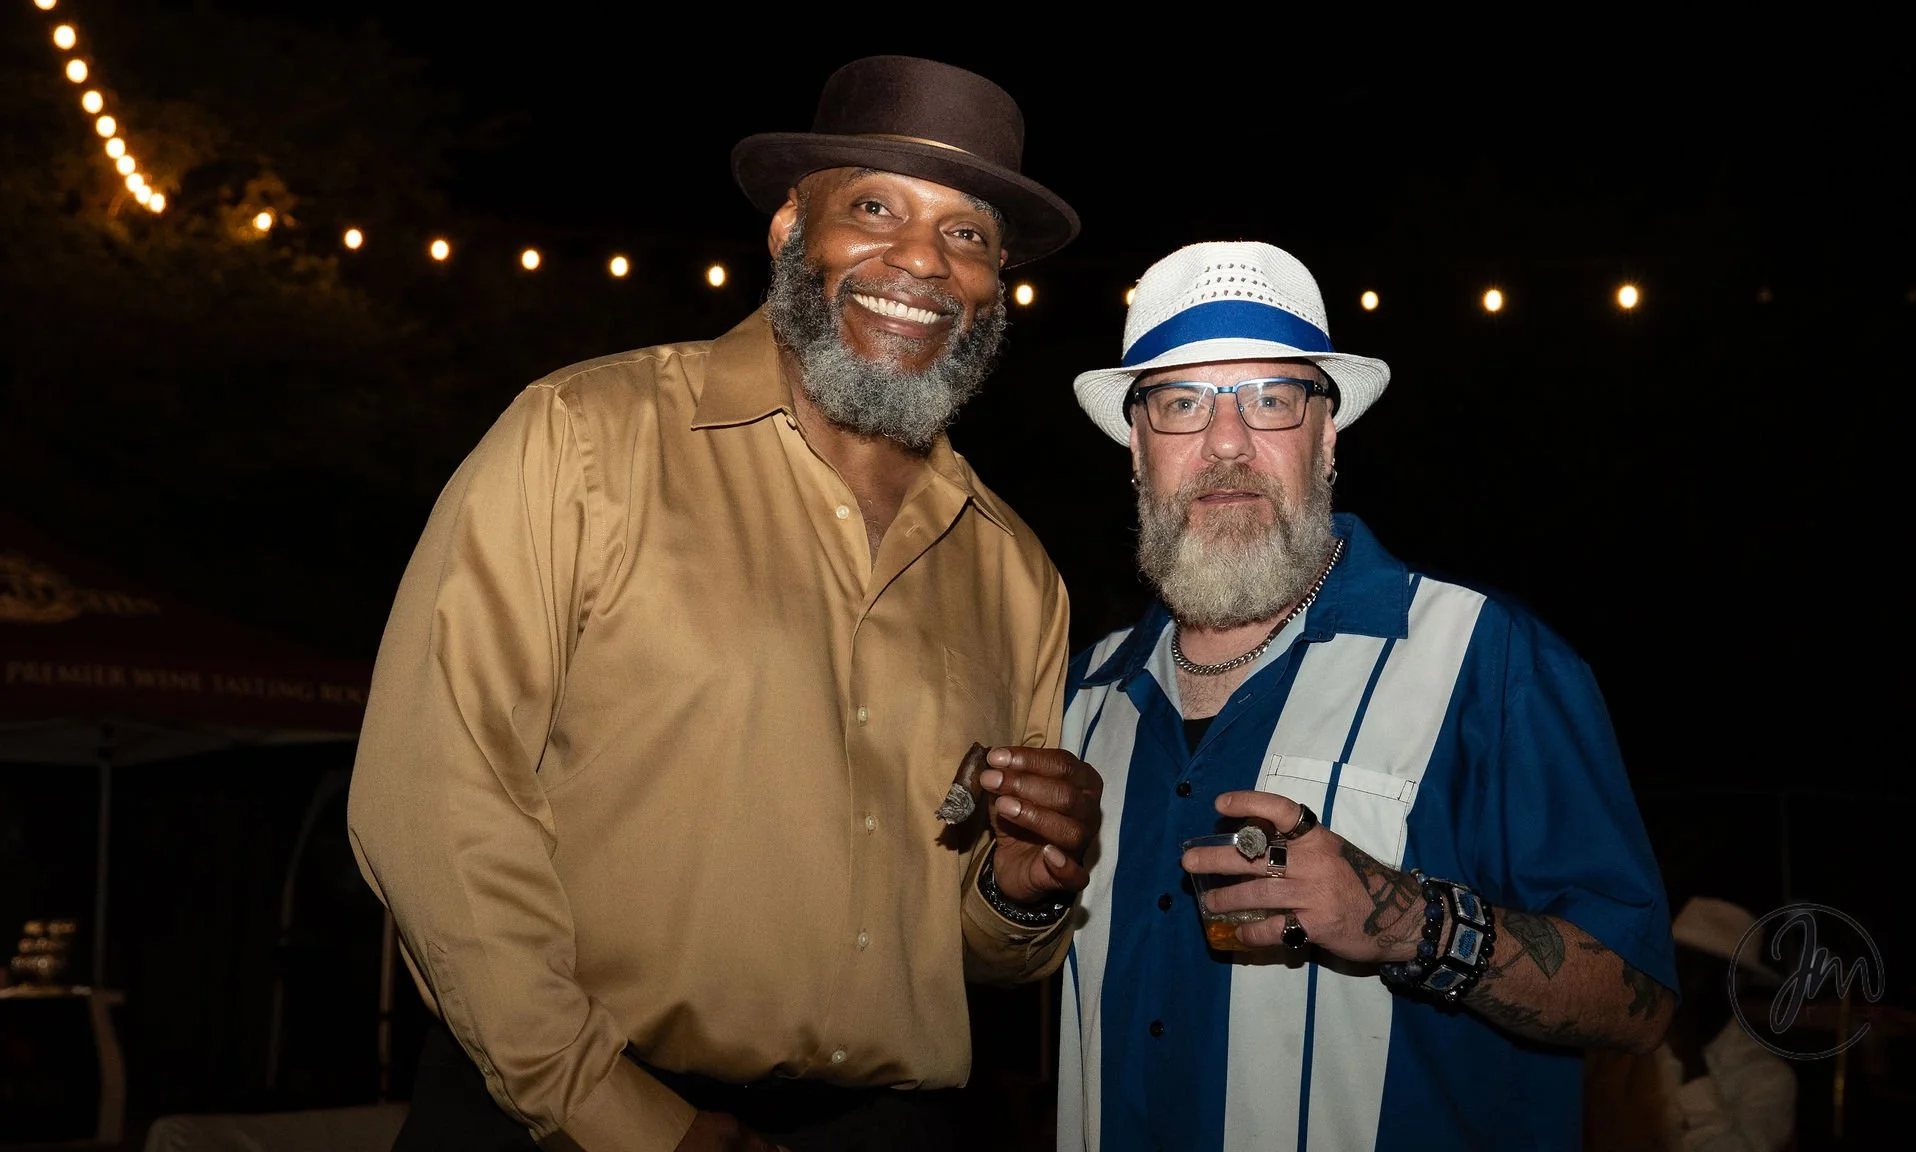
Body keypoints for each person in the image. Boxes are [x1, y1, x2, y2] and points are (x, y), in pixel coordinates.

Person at [346, 55, 1104, 1152]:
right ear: (792, 227)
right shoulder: (581, 437)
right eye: (876, 207)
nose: (919, 263)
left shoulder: (1015, 573)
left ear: (995, 285)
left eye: (967, 234)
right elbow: (432, 799)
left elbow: (967, 946)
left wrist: (1023, 893)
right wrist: (621, 1115)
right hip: (562, 1118)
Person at [1053, 240, 1679, 1150]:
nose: (1227, 442)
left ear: (1328, 434)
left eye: (1272, 399)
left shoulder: (1487, 660)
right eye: (1182, 403)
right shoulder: (1083, 695)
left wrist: (1410, 925)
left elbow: (1640, 1003)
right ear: (1138, 451)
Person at [1584, 896, 1797, 1151]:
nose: (1672, 980)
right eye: (1671, 965)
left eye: (1691, 967)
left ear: (1735, 982)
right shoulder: (1631, 1050)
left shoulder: (1766, 1079)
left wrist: (1693, 1066)